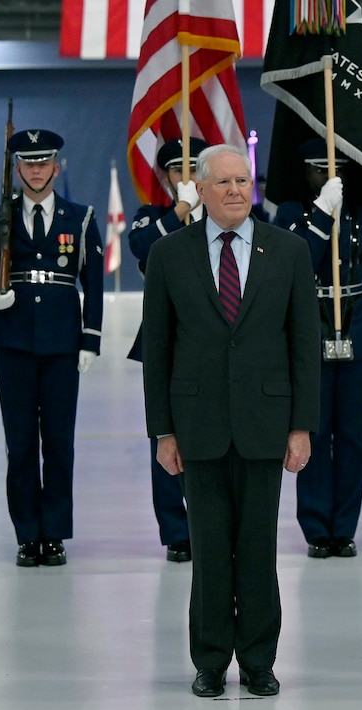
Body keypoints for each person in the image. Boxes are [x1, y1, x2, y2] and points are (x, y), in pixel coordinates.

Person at [143, 144, 319, 697]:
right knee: (211, 550)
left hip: (266, 424)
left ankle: (260, 660)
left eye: (244, 180)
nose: (238, 190)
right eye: (224, 182)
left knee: (259, 547)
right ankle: (212, 661)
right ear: (200, 189)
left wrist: (301, 426)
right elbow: (159, 348)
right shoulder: (170, 255)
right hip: (198, 427)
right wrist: (162, 430)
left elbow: (303, 345)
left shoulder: (288, 251)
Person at [0, 129, 104, 566]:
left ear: (56, 167)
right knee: (21, 444)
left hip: (63, 344)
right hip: (13, 342)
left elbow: (95, 284)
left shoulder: (79, 218)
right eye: (28, 163)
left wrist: (91, 339)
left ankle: (55, 534)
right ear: (17, 169)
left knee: (59, 443)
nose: (37, 170)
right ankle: (28, 535)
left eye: (43, 162)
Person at [274, 138, 362, 559]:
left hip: (355, 332)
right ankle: (317, 527)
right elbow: (299, 262)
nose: (328, 175)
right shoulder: (290, 214)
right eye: (319, 169)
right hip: (311, 335)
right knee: (314, 436)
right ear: (306, 171)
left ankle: (345, 527)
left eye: (335, 168)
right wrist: (322, 213)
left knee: (354, 437)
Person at [127, 136, 209, 563]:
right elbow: (142, 249)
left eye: (196, 168)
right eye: (179, 170)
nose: (188, 176)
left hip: (217, 345)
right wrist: (180, 211)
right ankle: (178, 532)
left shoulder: (226, 219)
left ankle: (212, 524)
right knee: (166, 435)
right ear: (167, 176)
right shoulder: (152, 218)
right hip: (167, 342)